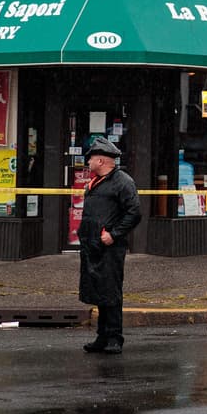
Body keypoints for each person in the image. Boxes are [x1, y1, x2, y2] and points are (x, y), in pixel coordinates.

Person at [77, 138, 142, 354]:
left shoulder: (123, 182)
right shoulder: (96, 182)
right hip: (93, 246)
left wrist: (114, 235)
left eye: (91, 159)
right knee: (99, 291)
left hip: (109, 248)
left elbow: (134, 213)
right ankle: (102, 336)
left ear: (102, 160)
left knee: (111, 291)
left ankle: (115, 337)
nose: (88, 163)